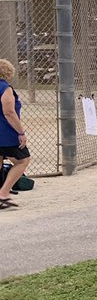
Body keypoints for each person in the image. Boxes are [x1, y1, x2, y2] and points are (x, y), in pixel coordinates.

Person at [0, 59, 31, 209]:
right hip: (5, 133)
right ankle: (4, 193)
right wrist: (21, 132)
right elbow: (9, 112)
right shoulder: (5, 88)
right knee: (23, 160)